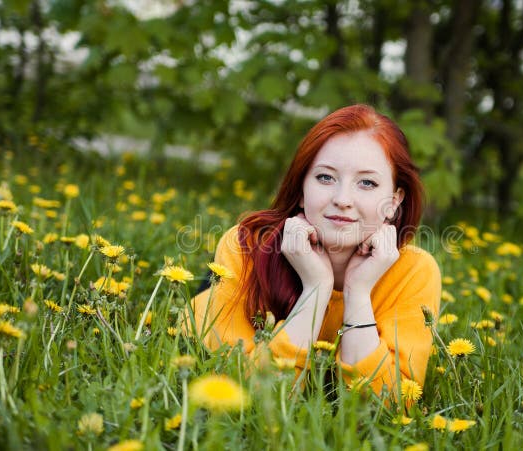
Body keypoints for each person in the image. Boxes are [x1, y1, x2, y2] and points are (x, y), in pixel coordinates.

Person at [189, 104, 441, 397]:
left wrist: (358, 292)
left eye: (367, 183)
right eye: (325, 177)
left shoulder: (415, 272)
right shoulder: (244, 246)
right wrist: (316, 289)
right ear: (300, 189)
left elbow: (388, 404)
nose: (343, 199)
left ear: (395, 200)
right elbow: (253, 392)